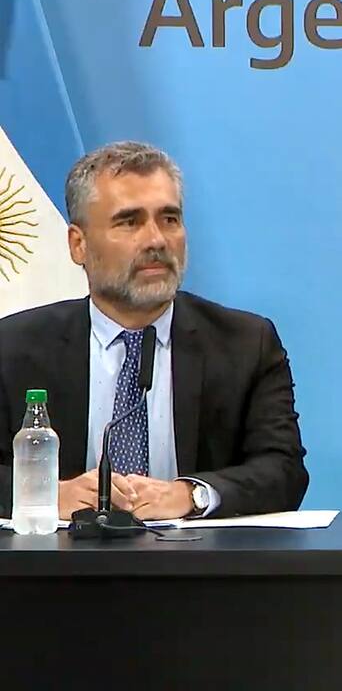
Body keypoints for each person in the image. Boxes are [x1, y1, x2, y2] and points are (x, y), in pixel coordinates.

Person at [0, 141, 308, 520]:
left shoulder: (246, 343)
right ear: (78, 245)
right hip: (57, 573)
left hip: (198, 571)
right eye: (129, 221)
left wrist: (191, 495)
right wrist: (46, 492)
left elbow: (284, 470)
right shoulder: (13, 348)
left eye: (169, 219)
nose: (156, 240)